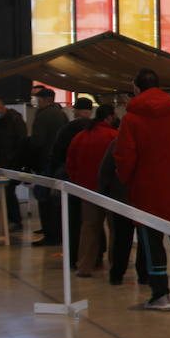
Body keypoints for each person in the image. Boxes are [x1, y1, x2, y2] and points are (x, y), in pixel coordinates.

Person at [114, 68, 170, 312]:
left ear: (136, 88)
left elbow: (124, 156)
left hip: (145, 190)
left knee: (152, 244)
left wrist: (129, 179)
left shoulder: (131, 119)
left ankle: (160, 294)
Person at [66, 105, 119, 277]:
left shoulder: (80, 137)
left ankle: (84, 266)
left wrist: (78, 183)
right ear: (110, 117)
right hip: (111, 192)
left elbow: (70, 164)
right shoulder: (114, 136)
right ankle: (115, 267)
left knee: (89, 229)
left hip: (87, 191)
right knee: (114, 230)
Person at [97, 112, 146, 288]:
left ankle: (117, 274)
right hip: (142, 199)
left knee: (121, 239)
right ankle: (144, 275)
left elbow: (105, 172)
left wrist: (104, 195)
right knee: (144, 239)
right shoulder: (147, 144)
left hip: (121, 200)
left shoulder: (116, 144)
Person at [50, 97, 95, 257]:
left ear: (75, 111)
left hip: (71, 180)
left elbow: (57, 154)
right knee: (93, 222)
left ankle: (73, 254)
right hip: (94, 183)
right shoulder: (98, 129)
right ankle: (95, 255)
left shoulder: (68, 129)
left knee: (73, 219)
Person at [30, 87, 69, 246]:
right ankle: (57, 232)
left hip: (45, 162)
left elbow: (37, 142)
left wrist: (32, 162)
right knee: (56, 201)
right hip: (58, 163)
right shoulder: (62, 114)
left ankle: (50, 234)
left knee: (44, 199)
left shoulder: (43, 115)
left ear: (44, 100)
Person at [0, 98, 28, 228]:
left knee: (9, 191)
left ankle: (15, 220)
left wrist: (17, 161)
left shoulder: (15, 120)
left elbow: (21, 142)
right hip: (4, 162)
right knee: (6, 191)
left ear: (1, 107)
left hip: (13, 162)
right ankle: (11, 219)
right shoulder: (1, 121)